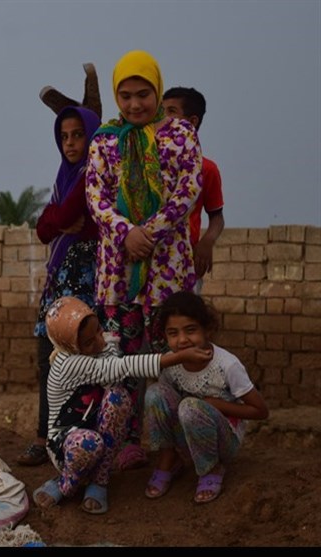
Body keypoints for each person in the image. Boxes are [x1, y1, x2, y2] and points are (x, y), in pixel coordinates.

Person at [85, 50, 202, 471]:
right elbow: (95, 197)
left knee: (175, 355)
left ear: (158, 91)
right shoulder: (104, 140)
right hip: (118, 272)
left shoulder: (180, 134)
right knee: (123, 359)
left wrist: (148, 233)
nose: (135, 104)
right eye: (126, 95)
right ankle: (128, 441)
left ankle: (181, 443)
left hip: (167, 265)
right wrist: (126, 233)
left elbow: (189, 189)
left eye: (144, 94)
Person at [31, 296, 212, 514]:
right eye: (88, 342)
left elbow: (113, 373)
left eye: (98, 330)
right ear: (70, 346)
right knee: (89, 443)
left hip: (98, 435)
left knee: (118, 398)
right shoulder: (66, 363)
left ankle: (100, 479)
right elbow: (120, 367)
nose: (99, 340)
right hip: (68, 445)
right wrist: (176, 357)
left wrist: (106, 347)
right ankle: (65, 483)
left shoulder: (103, 345)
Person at [17, 105, 102, 467]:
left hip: (84, 280)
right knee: (47, 360)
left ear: (92, 136)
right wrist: (56, 218)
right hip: (57, 284)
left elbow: (64, 216)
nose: (70, 143)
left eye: (78, 135)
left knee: (83, 361)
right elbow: (43, 229)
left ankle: (83, 438)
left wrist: (56, 218)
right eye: (64, 137)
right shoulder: (64, 178)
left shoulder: (92, 174)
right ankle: (44, 437)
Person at [144, 291, 268, 504]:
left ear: (207, 329)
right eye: (173, 333)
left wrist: (219, 405)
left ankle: (211, 467)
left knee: (190, 406)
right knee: (154, 393)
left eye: (190, 330)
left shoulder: (227, 365)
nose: (182, 340)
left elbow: (261, 411)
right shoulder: (171, 363)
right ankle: (169, 458)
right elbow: (164, 405)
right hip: (186, 437)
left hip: (223, 442)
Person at [162, 86, 225, 291]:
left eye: (171, 111)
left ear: (192, 122)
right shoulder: (148, 162)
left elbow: (217, 216)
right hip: (150, 254)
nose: (164, 118)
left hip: (185, 261)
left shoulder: (207, 169)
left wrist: (207, 242)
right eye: (161, 111)